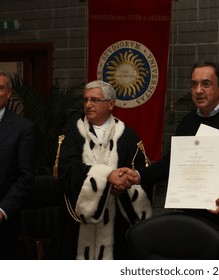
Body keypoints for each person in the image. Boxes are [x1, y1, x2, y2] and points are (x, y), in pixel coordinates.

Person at [128, 61, 219, 259]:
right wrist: (137, 175)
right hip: (192, 223)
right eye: (194, 84)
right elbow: (169, 165)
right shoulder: (187, 123)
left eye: (206, 84)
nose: (198, 90)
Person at [58, 80, 152, 260]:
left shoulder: (127, 135)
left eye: (94, 100)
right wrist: (107, 176)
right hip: (79, 223)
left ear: (111, 104)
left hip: (116, 223)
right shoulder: (72, 132)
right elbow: (67, 171)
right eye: (85, 100)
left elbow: (141, 174)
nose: (88, 105)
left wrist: (124, 186)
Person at [0, 71, 35, 259]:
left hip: (3, 225)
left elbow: (25, 177)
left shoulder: (23, 128)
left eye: (0, 88)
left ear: (9, 93)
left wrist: (3, 210)